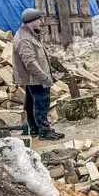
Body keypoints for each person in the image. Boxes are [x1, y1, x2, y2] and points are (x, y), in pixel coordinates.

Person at [13, 9, 62, 141]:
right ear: (32, 21)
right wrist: (44, 78)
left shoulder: (29, 35)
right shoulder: (25, 39)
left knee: (31, 103)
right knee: (41, 104)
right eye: (39, 20)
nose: (41, 22)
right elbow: (30, 63)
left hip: (33, 78)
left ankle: (35, 129)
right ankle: (44, 132)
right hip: (35, 78)